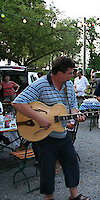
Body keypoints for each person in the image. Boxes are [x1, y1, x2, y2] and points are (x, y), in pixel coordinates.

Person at [12, 56, 90, 200]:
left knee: (71, 162)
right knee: (46, 168)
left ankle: (74, 194)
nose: (72, 76)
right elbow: (18, 103)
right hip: (42, 135)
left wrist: (77, 115)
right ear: (59, 73)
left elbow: (72, 107)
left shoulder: (68, 86)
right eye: (69, 73)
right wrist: (38, 117)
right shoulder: (40, 84)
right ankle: (48, 196)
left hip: (61, 133)